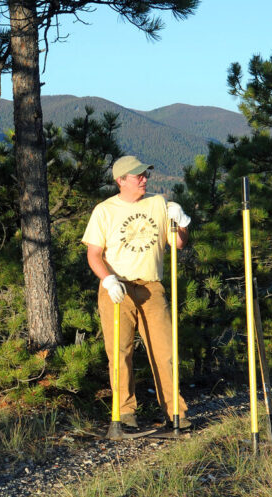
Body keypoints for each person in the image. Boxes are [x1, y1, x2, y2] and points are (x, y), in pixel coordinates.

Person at [82, 155, 191, 429]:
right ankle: (125, 414)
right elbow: (94, 254)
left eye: (145, 174)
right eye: (137, 176)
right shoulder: (104, 210)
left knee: (164, 350)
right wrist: (108, 280)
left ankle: (175, 413)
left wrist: (183, 222)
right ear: (120, 181)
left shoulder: (158, 204)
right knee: (120, 352)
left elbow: (177, 243)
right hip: (116, 288)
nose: (144, 179)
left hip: (151, 288)